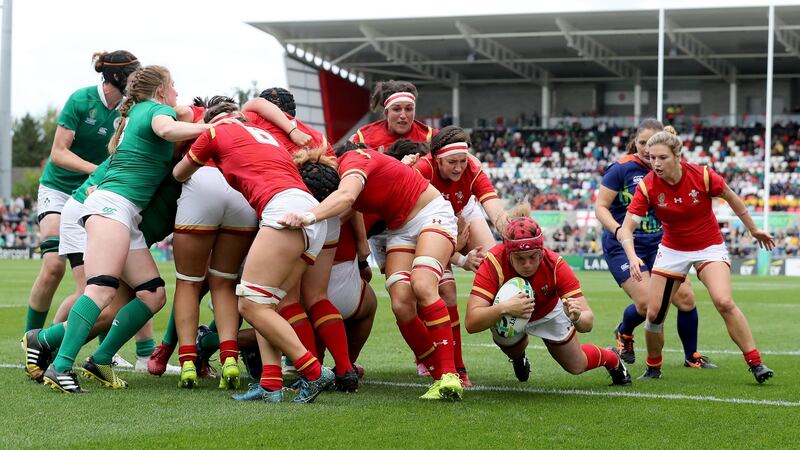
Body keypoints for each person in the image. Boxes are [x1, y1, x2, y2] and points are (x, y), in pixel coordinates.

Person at [39, 65, 215, 394]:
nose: (177, 91)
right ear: (161, 90)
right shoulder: (157, 109)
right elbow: (167, 130)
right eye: (173, 85)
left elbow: (172, 120)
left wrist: (189, 115)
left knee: (152, 294)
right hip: (112, 208)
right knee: (101, 290)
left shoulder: (139, 111)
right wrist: (211, 127)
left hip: (121, 210)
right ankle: (60, 366)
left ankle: (98, 359)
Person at [173, 99, 335, 403]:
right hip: (310, 212)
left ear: (212, 119)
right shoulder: (265, 134)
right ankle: (271, 382)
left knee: (250, 305)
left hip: (282, 211)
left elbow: (179, 174)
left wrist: (203, 147)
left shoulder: (212, 132)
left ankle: (313, 371)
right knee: (267, 304)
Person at [279, 146, 464, 401]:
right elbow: (347, 207)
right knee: (400, 303)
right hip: (400, 229)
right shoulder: (347, 174)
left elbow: (345, 198)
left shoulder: (354, 160)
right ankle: (439, 376)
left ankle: (451, 374)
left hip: (431, 214)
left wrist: (307, 217)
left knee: (422, 285)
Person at [618, 127, 775, 383]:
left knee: (724, 301)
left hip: (709, 246)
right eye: (652, 158)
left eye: (662, 158)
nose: (655, 163)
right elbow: (627, 227)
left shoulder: (702, 175)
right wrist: (632, 255)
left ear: (677, 156)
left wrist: (754, 229)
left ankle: (756, 363)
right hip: (672, 250)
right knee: (654, 314)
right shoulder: (647, 186)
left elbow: (731, 197)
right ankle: (653, 367)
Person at [242, 89, 359, 391]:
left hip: (291, 214)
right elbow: (335, 181)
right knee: (318, 296)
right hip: (327, 215)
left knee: (286, 300)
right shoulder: (317, 137)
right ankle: (345, 370)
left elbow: (251, 105)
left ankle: (313, 371)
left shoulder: (262, 128)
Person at [25, 51, 140, 334]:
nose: (138, 78)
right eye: (134, 73)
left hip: (93, 194)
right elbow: (58, 153)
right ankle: (31, 338)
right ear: (116, 76)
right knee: (53, 266)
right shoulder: (81, 100)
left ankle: (71, 344)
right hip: (59, 189)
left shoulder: (131, 107)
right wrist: (97, 170)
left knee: (100, 281)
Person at [595, 119, 713, 369]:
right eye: (641, 144)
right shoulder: (621, 169)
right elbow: (601, 207)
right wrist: (618, 231)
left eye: (651, 144)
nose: (647, 151)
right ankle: (624, 332)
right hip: (624, 245)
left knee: (686, 299)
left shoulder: (670, 167)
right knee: (649, 304)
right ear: (634, 143)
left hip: (662, 244)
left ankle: (691, 356)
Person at [464, 209, 631, 386]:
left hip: (548, 311)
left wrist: (576, 317)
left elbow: (588, 323)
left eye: (533, 257)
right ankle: (519, 357)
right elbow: (471, 323)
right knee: (512, 348)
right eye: (520, 258)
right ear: (508, 253)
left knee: (576, 365)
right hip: (508, 312)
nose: (527, 264)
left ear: (542, 251)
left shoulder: (556, 264)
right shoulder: (493, 262)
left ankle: (611, 357)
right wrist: (504, 308)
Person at [169, 96, 258, 390]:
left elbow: (177, 170)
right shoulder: (253, 129)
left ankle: (187, 365)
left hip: (203, 179)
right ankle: (229, 359)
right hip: (241, 190)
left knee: (188, 282)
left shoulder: (205, 127)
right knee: (225, 282)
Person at [411, 126, 511, 385]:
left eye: (462, 161)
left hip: (461, 211)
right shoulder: (423, 170)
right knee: (445, 292)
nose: (458, 168)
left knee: (495, 264)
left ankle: (515, 346)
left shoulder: (472, 167)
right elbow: (411, 218)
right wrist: (457, 255)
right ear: (436, 159)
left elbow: (494, 208)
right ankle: (454, 365)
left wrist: (513, 235)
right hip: (424, 222)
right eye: (452, 162)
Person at [350, 80, 435, 149]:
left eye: (408, 109)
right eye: (397, 109)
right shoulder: (364, 137)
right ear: (386, 112)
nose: (403, 115)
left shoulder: (430, 137)